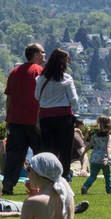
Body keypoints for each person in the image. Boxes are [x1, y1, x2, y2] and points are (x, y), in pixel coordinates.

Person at [2, 43, 45, 195]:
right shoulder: (40, 72)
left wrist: (8, 118)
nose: (44, 56)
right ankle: (44, 185)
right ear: (36, 55)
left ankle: (8, 184)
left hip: (15, 120)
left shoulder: (14, 71)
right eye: (42, 53)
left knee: (14, 155)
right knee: (41, 154)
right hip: (35, 121)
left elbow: (9, 98)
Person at [35, 48, 78, 180]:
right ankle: (63, 177)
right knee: (65, 150)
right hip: (64, 117)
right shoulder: (66, 78)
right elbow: (74, 99)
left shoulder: (40, 78)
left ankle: (48, 177)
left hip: (46, 117)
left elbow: (36, 96)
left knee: (49, 149)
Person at [81, 116, 111, 195]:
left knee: (93, 176)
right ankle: (109, 191)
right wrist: (108, 156)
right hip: (104, 159)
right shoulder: (108, 137)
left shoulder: (95, 136)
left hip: (94, 158)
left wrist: (83, 154)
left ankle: (85, 186)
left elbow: (89, 145)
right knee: (107, 176)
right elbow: (108, 147)